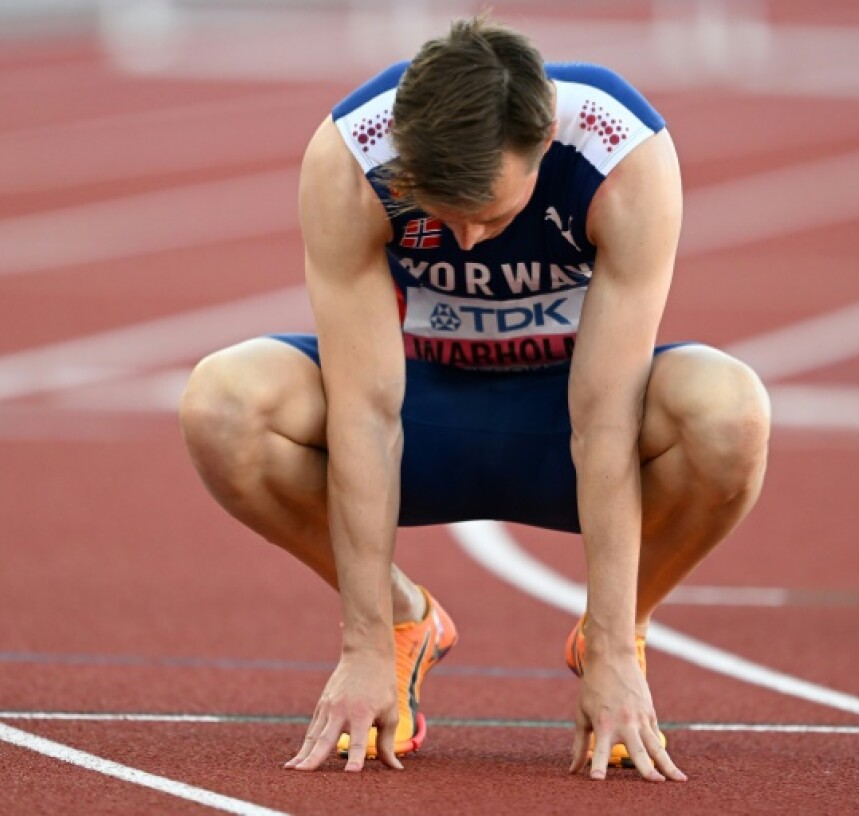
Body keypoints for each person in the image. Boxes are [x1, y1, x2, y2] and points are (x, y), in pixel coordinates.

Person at [180, 16, 769, 782]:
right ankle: (401, 621)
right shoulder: (352, 156)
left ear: (544, 139)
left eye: (491, 215)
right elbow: (365, 408)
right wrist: (360, 645)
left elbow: (603, 420)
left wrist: (620, 652)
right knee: (222, 401)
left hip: (565, 415)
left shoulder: (621, 153)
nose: (465, 242)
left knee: (731, 412)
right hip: (421, 407)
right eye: (440, 213)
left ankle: (612, 632)